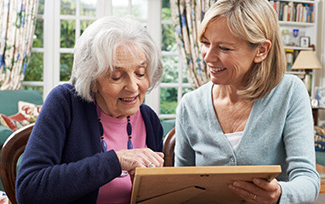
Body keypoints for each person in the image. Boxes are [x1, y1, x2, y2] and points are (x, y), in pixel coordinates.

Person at [174, 0, 320, 203]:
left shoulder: (290, 92)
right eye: (206, 43)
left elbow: (308, 180)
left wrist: (279, 194)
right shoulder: (189, 105)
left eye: (224, 48)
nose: (208, 57)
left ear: (261, 50)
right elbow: (180, 187)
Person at [16, 16, 164, 204]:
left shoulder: (149, 120)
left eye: (140, 73)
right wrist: (115, 161)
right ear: (93, 81)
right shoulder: (65, 103)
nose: (133, 87)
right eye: (117, 77)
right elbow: (29, 189)